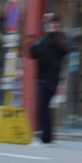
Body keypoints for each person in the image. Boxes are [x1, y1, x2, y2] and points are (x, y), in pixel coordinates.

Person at [29, 12, 68, 146]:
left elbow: (63, 50)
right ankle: (47, 136)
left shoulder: (56, 38)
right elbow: (35, 53)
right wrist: (31, 44)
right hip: (46, 78)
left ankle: (46, 137)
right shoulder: (49, 38)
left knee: (43, 107)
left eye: (48, 21)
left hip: (48, 78)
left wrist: (54, 33)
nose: (45, 24)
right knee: (44, 107)